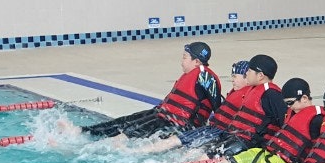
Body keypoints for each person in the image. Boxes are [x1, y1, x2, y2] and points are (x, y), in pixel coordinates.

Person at [82, 41, 221, 139]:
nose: (181, 61)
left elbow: (218, 107)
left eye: (185, 58)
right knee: (125, 122)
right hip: (163, 116)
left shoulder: (206, 77)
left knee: (126, 135)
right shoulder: (190, 75)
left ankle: (92, 137)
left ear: (197, 61)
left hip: (179, 124)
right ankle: (85, 131)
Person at [230, 78, 324, 163]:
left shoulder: (317, 119)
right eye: (286, 103)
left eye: (290, 103)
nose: (288, 106)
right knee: (237, 161)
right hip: (270, 153)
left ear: (304, 98)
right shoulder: (291, 114)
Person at [204, 54, 286, 158]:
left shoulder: (272, 94)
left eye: (249, 71)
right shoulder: (252, 91)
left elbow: (285, 123)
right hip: (235, 137)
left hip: (251, 143)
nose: (246, 73)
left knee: (211, 159)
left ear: (260, 75)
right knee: (204, 153)